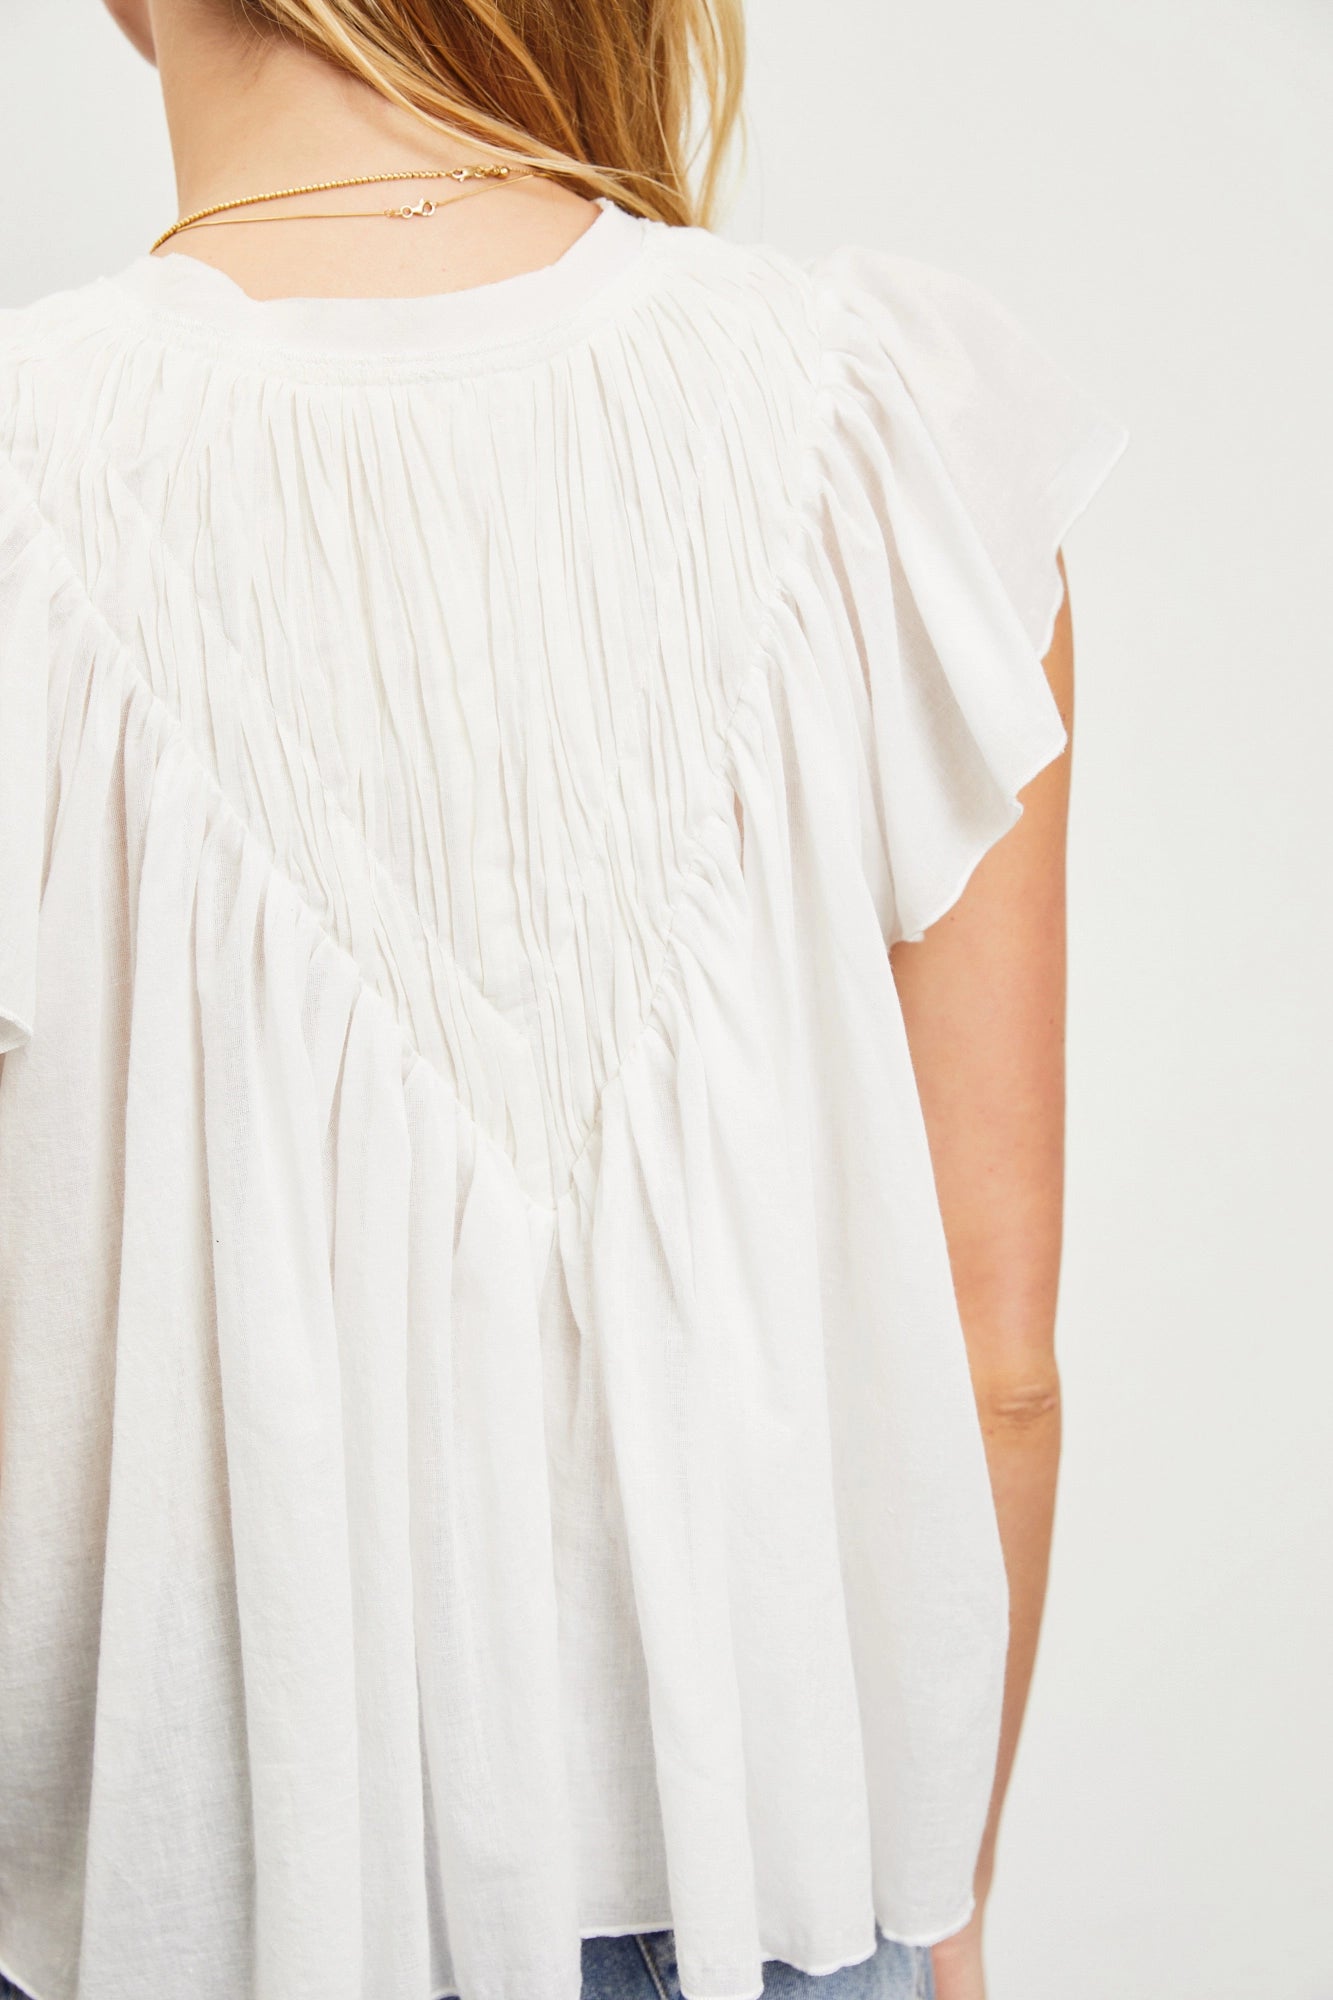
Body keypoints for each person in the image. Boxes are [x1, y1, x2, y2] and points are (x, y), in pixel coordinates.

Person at [0, 3, 1128, 1998]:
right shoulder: (890, 433)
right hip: (777, 1892)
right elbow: (996, 1363)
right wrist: (938, 1905)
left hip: (172, 1907)